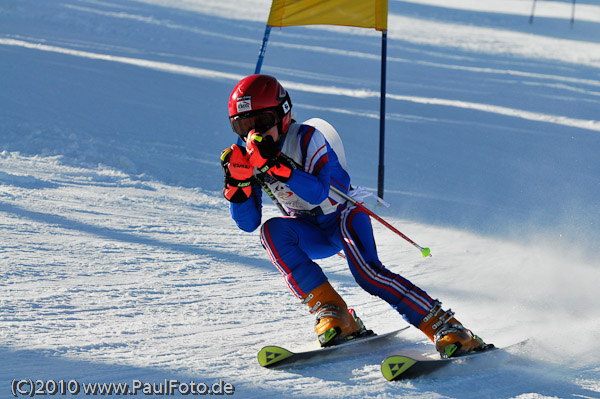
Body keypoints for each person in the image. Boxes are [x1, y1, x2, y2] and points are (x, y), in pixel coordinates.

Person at [220, 74, 489, 358]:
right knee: (271, 232)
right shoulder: (248, 156)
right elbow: (248, 223)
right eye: (243, 126)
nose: (253, 135)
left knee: (368, 275)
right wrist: (238, 187)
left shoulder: (307, 138)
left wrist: (276, 166)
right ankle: (335, 313)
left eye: (261, 124)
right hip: (309, 230)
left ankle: (448, 327)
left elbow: (321, 192)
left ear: (283, 115)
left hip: (343, 217)